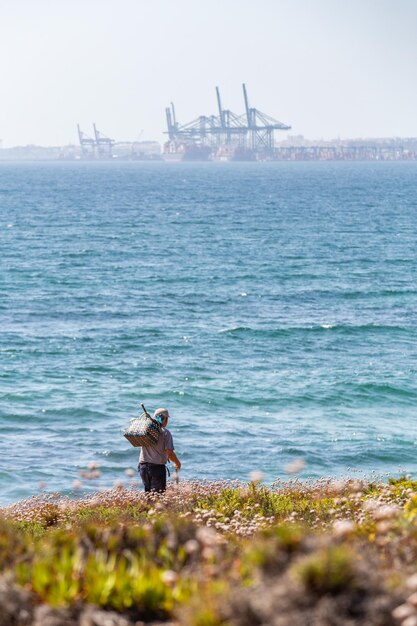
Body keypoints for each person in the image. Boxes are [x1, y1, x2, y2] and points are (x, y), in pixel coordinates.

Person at [138, 407, 181, 493]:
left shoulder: (146, 430)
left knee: (149, 495)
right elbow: (170, 453)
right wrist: (177, 463)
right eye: (167, 419)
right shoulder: (165, 433)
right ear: (164, 419)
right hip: (156, 468)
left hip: (143, 467)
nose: (167, 421)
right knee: (158, 497)